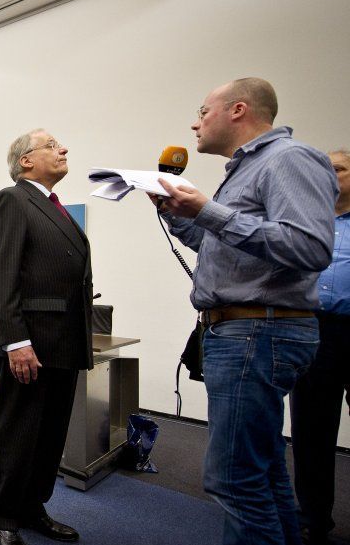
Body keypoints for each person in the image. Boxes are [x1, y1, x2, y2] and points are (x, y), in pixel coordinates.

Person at [155, 78, 337, 545]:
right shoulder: (245, 171)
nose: (195, 124)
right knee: (266, 471)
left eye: (203, 112)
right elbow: (220, 245)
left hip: (259, 331)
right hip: (245, 332)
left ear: (238, 110)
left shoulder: (290, 159)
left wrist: (210, 211)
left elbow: (311, 247)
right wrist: (182, 214)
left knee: (234, 478)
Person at [0, 129, 93, 545]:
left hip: (65, 340)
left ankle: (32, 508)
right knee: (20, 431)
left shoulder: (56, 210)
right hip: (30, 341)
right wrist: (15, 341)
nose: (63, 149)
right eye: (52, 145)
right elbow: (0, 274)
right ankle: (3, 516)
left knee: (50, 436)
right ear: (26, 160)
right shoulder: (12, 200)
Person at [290, 148, 350, 545]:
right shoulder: (305, 226)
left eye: (339, 169)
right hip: (312, 331)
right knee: (311, 431)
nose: (329, 175)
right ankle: (314, 519)